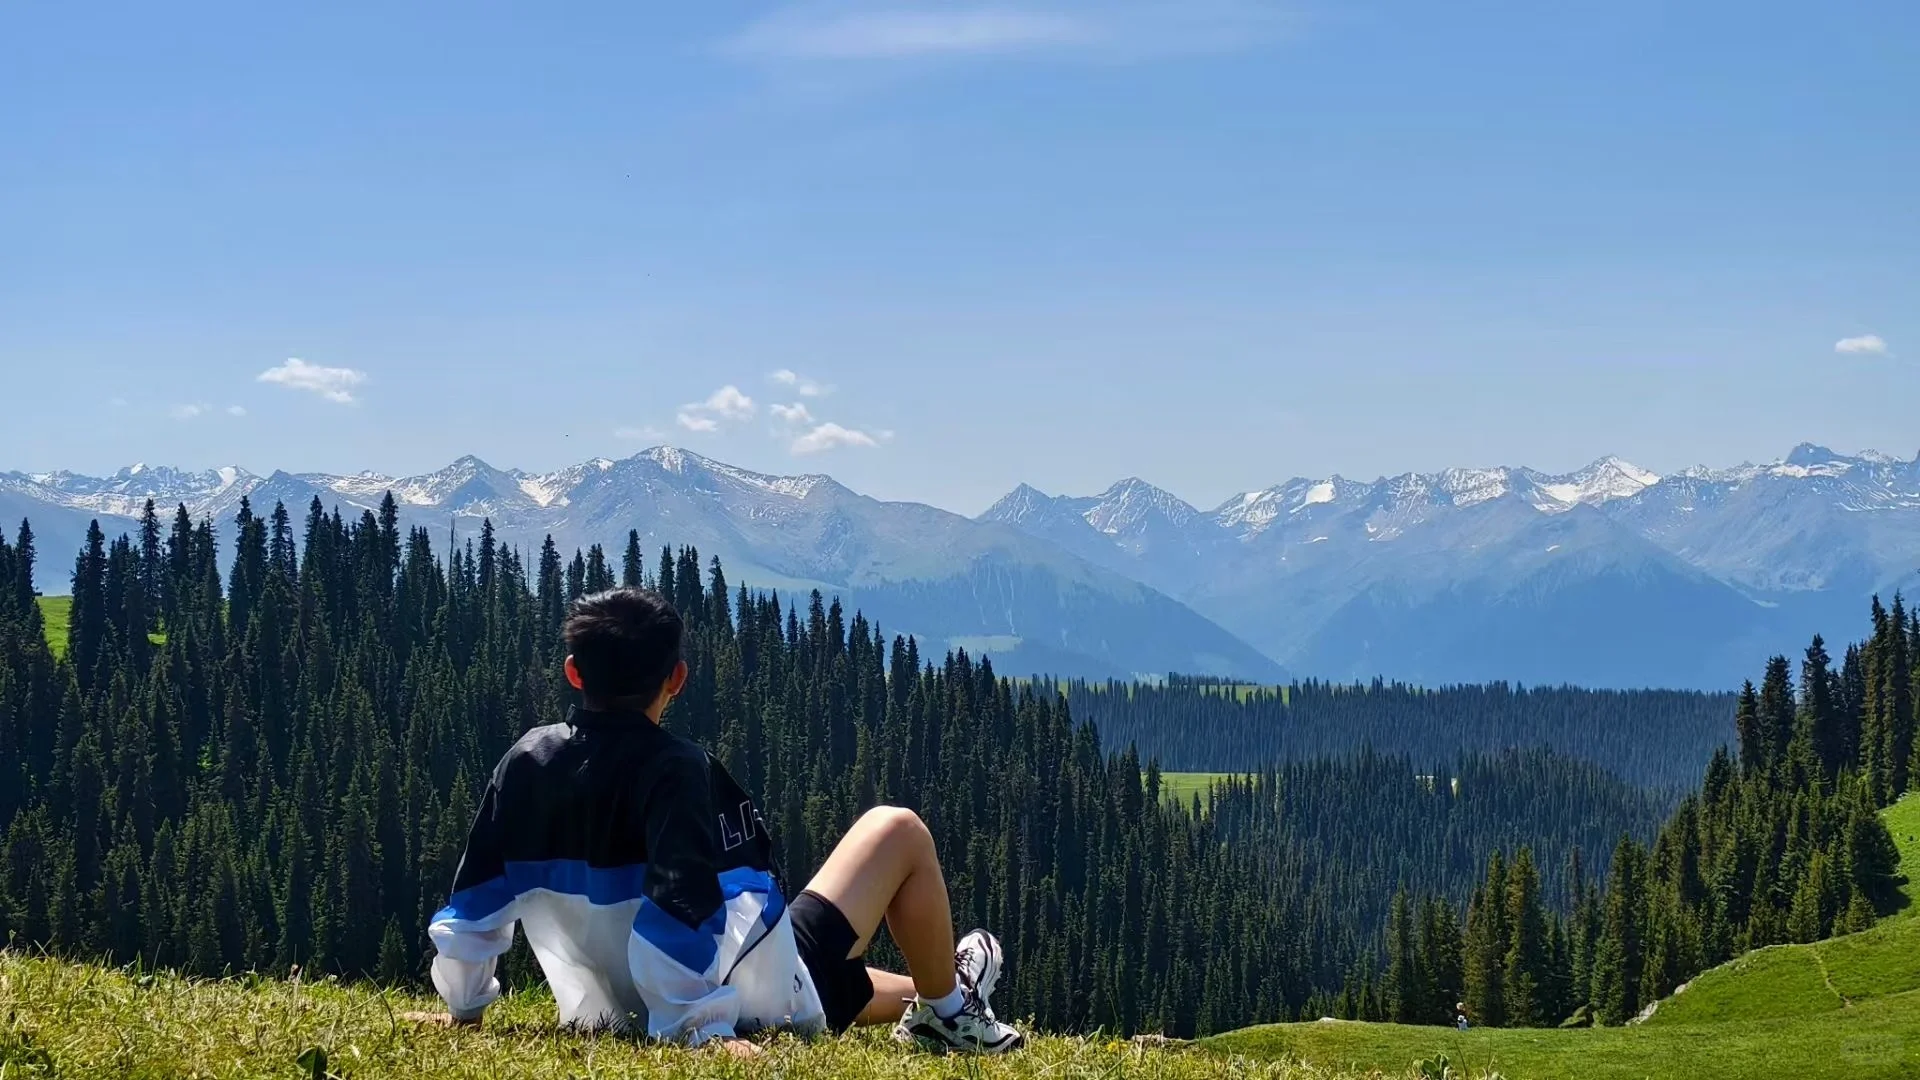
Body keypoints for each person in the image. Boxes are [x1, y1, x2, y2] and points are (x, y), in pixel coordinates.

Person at [416, 587, 1024, 1056]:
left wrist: (463, 1009)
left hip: (611, 1002)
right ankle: (950, 1014)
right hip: (720, 995)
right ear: (675, 679)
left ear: (575, 672)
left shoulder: (525, 761)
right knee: (897, 828)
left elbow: (474, 902)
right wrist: (698, 1029)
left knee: (837, 976)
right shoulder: (675, 767)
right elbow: (680, 908)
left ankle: (943, 988)